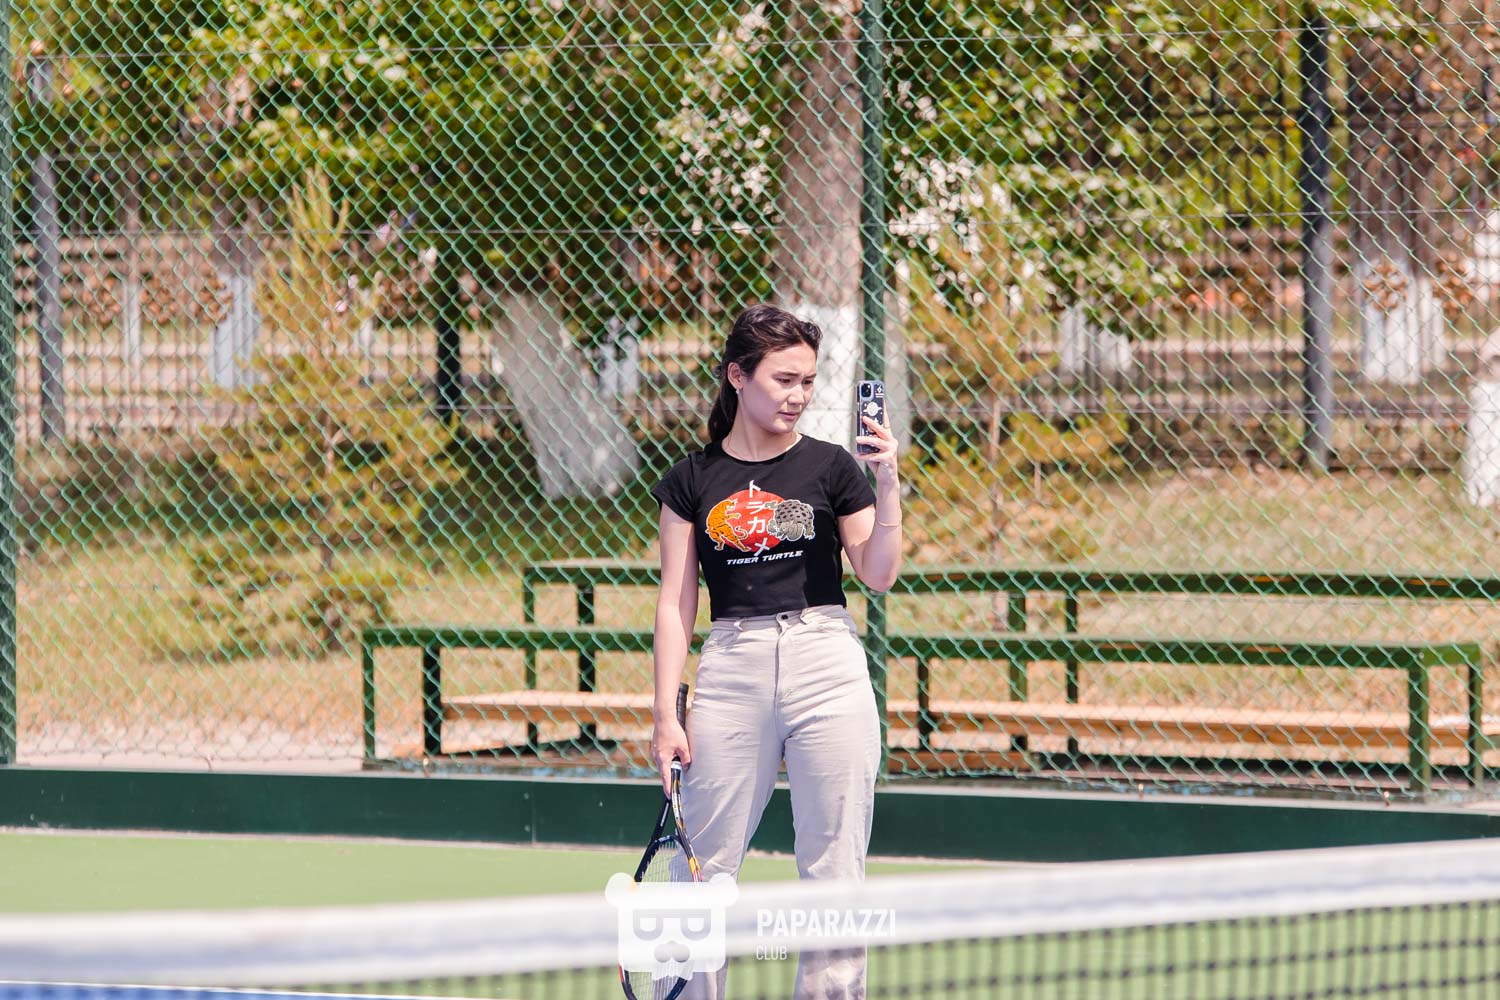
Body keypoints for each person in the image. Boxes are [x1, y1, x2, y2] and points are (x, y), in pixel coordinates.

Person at [649, 303, 903, 999]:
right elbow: (675, 603)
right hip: (732, 666)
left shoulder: (833, 467)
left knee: (835, 869)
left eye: (807, 382)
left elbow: (878, 573)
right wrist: (666, 713)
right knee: (700, 868)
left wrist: (887, 483)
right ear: (738, 376)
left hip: (827, 662)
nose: (798, 395)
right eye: (783, 379)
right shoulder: (691, 479)